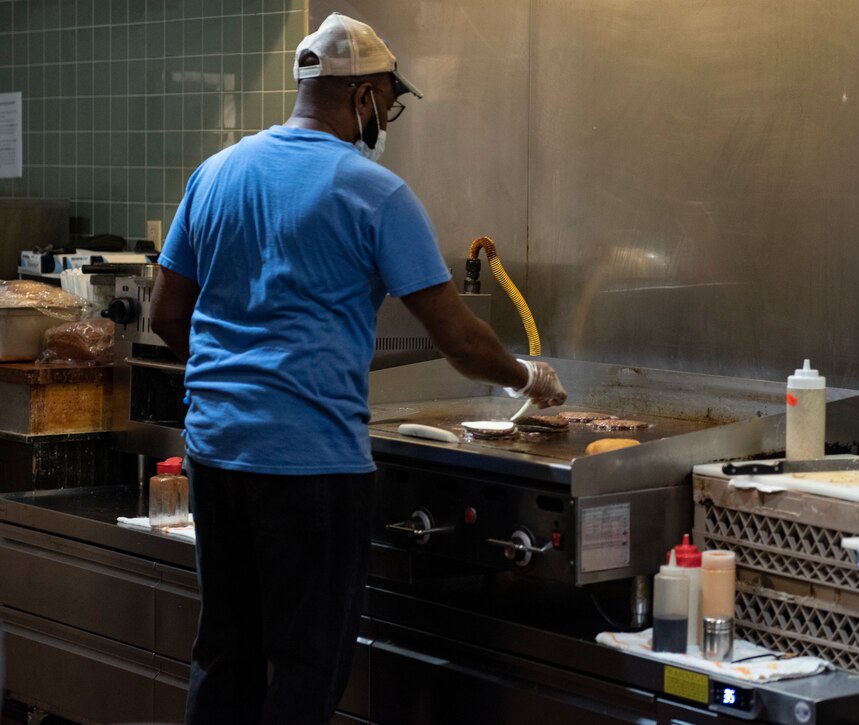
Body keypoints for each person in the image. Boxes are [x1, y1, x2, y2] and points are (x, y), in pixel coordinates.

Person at [150, 12, 566, 725]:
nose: (387, 117)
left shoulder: (216, 173)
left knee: (225, 654)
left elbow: (165, 315)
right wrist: (528, 378)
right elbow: (460, 341)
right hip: (311, 466)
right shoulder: (374, 192)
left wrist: (235, 375)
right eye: (388, 101)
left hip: (216, 453)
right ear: (363, 95)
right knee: (307, 664)